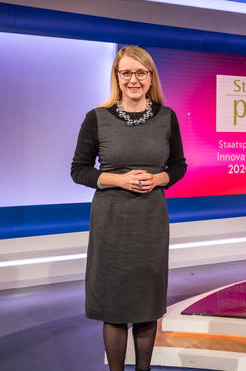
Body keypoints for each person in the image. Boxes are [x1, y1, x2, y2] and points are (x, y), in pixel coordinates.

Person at [71, 46, 187, 371]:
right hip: (111, 221)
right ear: (117, 77)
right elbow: (79, 170)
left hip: (150, 220)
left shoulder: (167, 117)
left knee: (146, 304)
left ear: (150, 77)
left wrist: (160, 178)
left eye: (140, 72)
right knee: (115, 305)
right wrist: (119, 180)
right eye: (126, 73)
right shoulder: (96, 118)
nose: (133, 79)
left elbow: (179, 166)